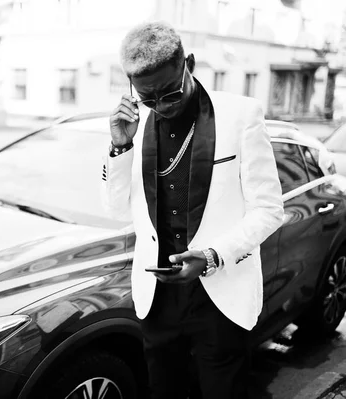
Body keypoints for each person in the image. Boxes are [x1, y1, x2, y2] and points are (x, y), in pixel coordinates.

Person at [101, 21, 284, 399]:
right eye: (148, 98)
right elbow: (118, 210)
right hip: (157, 296)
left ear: (190, 64)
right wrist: (120, 147)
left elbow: (268, 209)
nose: (160, 107)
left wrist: (214, 256)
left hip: (220, 294)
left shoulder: (241, 115)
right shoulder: (132, 126)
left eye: (169, 94)